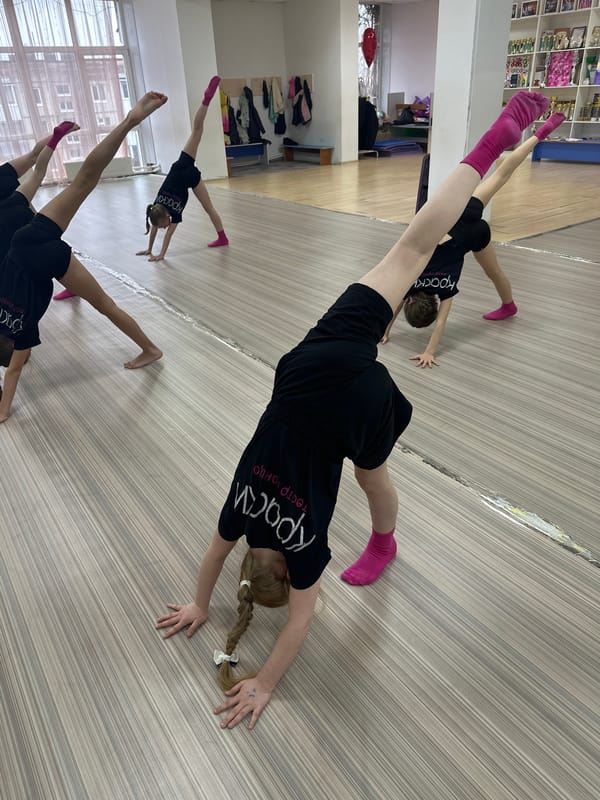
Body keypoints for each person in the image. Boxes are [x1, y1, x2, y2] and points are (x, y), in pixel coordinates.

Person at [156, 91, 549, 730]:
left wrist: (263, 684)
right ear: (252, 563)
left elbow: (301, 623)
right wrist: (201, 604)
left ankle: (384, 542)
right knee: (411, 247)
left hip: (353, 401)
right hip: (304, 366)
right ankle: (488, 146)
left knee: (371, 475)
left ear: (283, 571)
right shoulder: (240, 517)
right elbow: (212, 558)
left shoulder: (303, 552)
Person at [0, 92, 168, 423]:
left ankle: (151, 349)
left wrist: (4, 411)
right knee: (84, 181)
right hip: (27, 239)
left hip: (50, 260)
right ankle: (130, 121)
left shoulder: (22, 333)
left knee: (106, 305)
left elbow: (15, 370)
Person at [380, 111, 565, 367]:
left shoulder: (446, 290)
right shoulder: (410, 281)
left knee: (494, 272)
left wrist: (429, 352)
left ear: (434, 304)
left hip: (475, 235)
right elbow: (394, 307)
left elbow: (441, 324)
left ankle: (509, 305)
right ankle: (537, 135)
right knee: (501, 175)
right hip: (461, 215)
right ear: (411, 298)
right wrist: (385, 329)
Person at [135, 75, 228, 263]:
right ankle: (206, 101)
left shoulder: (173, 214)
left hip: (189, 175)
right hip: (181, 166)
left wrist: (161, 254)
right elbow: (155, 226)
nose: (165, 228)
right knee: (197, 131)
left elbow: (167, 235)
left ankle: (223, 238)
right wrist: (149, 249)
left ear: (166, 216)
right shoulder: (156, 207)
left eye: (164, 225)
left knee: (209, 208)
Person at [0, 122, 80, 263]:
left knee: (36, 235)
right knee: (34, 158)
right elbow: (36, 162)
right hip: (7, 185)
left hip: (9, 218)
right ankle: (59, 134)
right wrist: (57, 136)